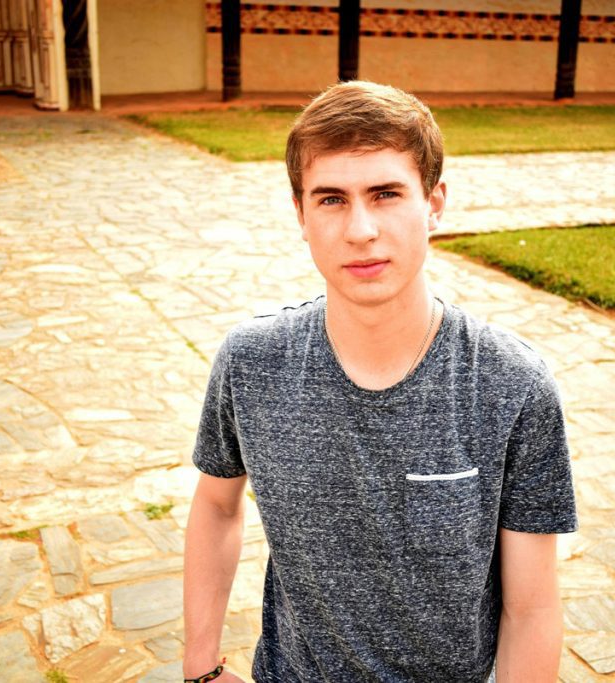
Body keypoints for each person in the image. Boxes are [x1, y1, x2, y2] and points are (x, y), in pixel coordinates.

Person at [182, 80, 577, 683]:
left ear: (434, 203)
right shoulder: (250, 363)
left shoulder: (511, 385)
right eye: (331, 199)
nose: (360, 229)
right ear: (301, 215)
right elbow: (215, 505)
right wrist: (200, 667)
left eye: (386, 193)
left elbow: (531, 607)